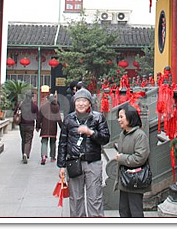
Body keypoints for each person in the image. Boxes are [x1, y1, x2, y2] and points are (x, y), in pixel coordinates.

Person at [57, 88, 110, 217]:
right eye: (78, 101)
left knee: (95, 198)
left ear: (89, 103)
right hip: (74, 163)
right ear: (74, 103)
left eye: (84, 101)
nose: (81, 104)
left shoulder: (98, 118)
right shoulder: (69, 119)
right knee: (76, 199)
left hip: (93, 162)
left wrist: (91, 132)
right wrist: (62, 165)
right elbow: (63, 143)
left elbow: (105, 138)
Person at [114, 103, 150, 217]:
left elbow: (140, 157)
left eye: (121, 117)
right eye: (118, 117)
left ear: (130, 117)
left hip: (135, 180)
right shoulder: (123, 134)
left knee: (135, 212)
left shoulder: (140, 135)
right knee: (124, 211)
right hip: (124, 178)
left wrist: (122, 158)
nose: (119, 120)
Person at [37, 93, 62, 165]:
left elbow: (39, 118)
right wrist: (62, 126)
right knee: (53, 142)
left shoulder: (43, 107)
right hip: (53, 127)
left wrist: (38, 126)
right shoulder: (56, 107)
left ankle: (43, 156)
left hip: (44, 127)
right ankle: (53, 156)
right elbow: (58, 118)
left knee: (44, 141)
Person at [17, 90, 38, 164]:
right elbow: (37, 116)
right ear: (31, 97)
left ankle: (23, 153)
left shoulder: (21, 104)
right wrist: (38, 126)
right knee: (28, 140)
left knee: (23, 139)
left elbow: (16, 112)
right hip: (30, 125)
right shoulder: (34, 106)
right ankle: (26, 153)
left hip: (22, 124)